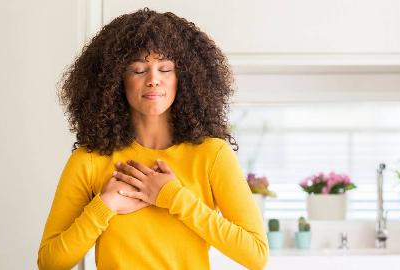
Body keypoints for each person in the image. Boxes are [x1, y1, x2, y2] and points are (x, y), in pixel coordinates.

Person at [37, 8, 268, 270]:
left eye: (165, 68)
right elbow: (50, 263)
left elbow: (256, 254)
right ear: (115, 80)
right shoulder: (89, 160)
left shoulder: (212, 155)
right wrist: (104, 205)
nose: (153, 80)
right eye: (138, 70)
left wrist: (172, 196)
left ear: (185, 78)